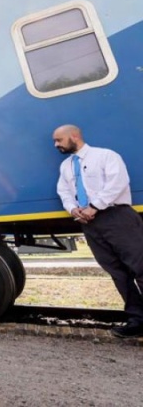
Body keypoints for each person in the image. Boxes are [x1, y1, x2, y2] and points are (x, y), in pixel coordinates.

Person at [53, 124, 143, 338]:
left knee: (140, 267)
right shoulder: (66, 166)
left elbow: (118, 183)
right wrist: (73, 208)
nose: (56, 145)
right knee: (118, 273)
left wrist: (95, 206)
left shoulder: (105, 156)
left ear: (74, 136)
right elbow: (63, 191)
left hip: (117, 217)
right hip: (90, 224)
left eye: (59, 140)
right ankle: (137, 320)